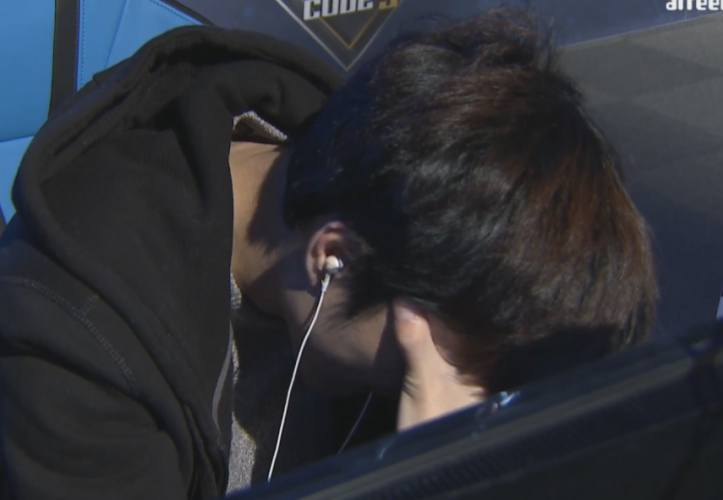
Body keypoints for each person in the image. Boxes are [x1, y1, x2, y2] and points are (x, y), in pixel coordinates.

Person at [0, 7, 657, 500]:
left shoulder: (385, 198)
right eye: (412, 369)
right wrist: (416, 478)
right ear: (331, 258)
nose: (443, 401)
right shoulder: (74, 348)